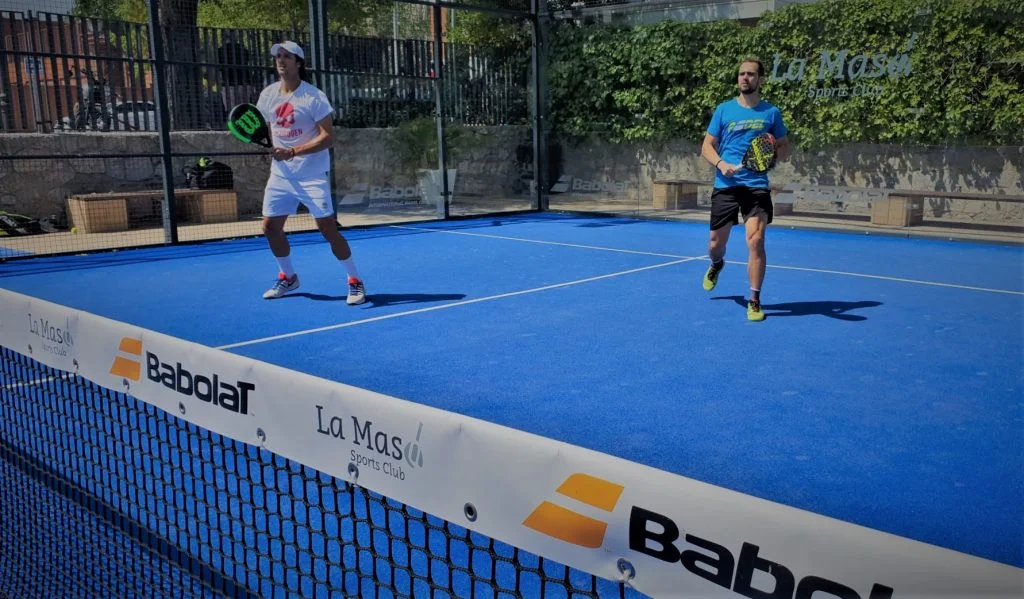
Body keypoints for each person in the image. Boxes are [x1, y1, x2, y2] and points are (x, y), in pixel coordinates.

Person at [256, 41, 365, 304]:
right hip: (281, 175)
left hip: (312, 174)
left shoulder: (314, 96)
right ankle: (289, 277)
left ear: (299, 63)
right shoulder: (268, 95)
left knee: (327, 229)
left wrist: (294, 151)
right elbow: (265, 127)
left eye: (287, 56)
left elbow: (328, 138)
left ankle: (355, 280)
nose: (281, 61)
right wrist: (273, 146)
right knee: (270, 227)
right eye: (278, 56)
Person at [700, 57, 790, 321]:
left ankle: (754, 299)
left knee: (756, 240)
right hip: (725, 185)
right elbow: (706, 146)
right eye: (741, 74)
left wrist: (774, 154)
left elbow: (784, 146)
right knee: (716, 244)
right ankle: (717, 264)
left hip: (756, 187)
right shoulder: (724, 110)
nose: (745, 78)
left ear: (760, 79)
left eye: (751, 74)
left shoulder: (771, 113)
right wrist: (720, 163)